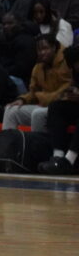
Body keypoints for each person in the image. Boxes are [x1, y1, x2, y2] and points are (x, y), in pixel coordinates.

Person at [2, 34, 71, 134]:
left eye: (45, 48)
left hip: (61, 107)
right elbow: (33, 92)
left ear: (54, 47)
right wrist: (23, 99)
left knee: (37, 114)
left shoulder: (67, 61)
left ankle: (38, 144)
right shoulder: (38, 67)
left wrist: (43, 97)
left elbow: (68, 88)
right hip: (45, 105)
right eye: (39, 50)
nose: (42, 53)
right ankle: (8, 143)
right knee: (11, 110)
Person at [39, 46, 79, 175]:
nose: (76, 67)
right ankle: (58, 156)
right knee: (56, 107)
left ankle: (69, 160)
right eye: (74, 65)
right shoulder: (75, 71)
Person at [0, 12, 37, 93]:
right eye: (4, 24)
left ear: (19, 23)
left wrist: (1, 71)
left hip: (24, 81)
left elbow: (22, 68)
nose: (6, 26)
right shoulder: (5, 39)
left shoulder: (25, 41)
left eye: (10, 23)